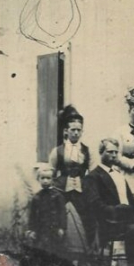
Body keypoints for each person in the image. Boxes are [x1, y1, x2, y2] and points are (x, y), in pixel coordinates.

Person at [83, 138, 134, 266]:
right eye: (110, 152)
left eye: (116, 152)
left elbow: (131, 201)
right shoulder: (93, 177)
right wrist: (119, 210)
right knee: (133, 230)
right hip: (110, 223)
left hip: (130, 218)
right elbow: (95, 204)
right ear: (101, 152)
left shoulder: (119, 174)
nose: (114, 155)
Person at [49, 105, 92, 254]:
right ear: (66, 131)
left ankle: (85, 252)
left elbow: (92, 173)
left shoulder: (87, 150)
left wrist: (87, 185)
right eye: (72, 129)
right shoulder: (58, 151)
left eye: (78, 130)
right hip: (62, 190)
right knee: (63, 219)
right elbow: (51, 172)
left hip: (81, 190)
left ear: (82, 131)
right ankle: (62, 252)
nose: (75, 133)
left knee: (84, 218)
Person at [27, 164, 66, 254]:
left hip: (54, 229)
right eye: (43, 178)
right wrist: (31, 230)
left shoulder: (57, 196)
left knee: (55, 250)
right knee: (39, 250)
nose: (45, 181)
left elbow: (62, 213)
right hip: (40, 229)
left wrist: (62, 228)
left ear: (52, 180)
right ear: (38, 179)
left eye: (48, 178)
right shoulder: (36, 197)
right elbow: (32, 214)